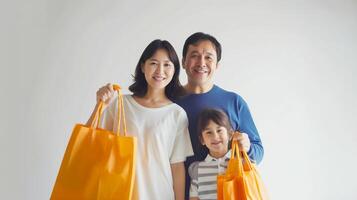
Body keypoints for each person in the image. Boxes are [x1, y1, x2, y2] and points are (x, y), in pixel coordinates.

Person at [86, 39, 193, 200]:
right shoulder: (120, 104)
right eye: (154, 63)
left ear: (175, 70)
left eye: (167, 65)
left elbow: (177, 167)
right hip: (118, 193)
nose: (160, 71)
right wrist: (100, 105)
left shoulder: (177, 114)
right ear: (143, 66)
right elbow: (90, 142)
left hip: (160, 195)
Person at [174, 32, 264, 199]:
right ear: (184, 62)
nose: (201, 63)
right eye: (194, 56)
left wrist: (247, 146)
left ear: (217, 65)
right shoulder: (170, 103)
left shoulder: (234, 101)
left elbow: (258, 151)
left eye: (208, 57)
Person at [188, 108, 236, 200]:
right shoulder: (197, 169)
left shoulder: (241, 163)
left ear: (230, 134)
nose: (215, 136)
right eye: (209, 132)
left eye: (219, 130)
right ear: (202, 140)